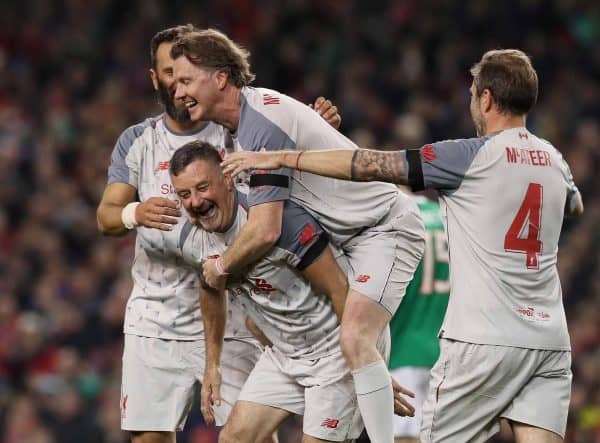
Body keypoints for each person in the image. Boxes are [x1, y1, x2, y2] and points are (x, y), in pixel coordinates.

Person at [221, 49, 584, 443]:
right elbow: (574, 206)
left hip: (483, 340)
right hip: (549, 339)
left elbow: (367, 164)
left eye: (473, 94)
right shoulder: (555, 160)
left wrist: (284, 156)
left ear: (487, 98)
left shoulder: (467, 156)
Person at [171, 29, 424, 443]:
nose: (177, 90)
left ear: (220, 77)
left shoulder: (259, 124)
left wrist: (220, 267)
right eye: (173, 82)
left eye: (185, 80)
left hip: (381, 226)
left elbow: (268, 228)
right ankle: (368, 375)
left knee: (357, 337)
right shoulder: (237, 133)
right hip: (312, 310)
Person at [96, 24, 342, 443]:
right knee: (148, 437)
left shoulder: (236, 126)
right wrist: (136, 212)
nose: (178, 83)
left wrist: (309, 128)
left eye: (186, 72)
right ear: (155, 79)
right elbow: (106, 217)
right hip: (158, 317)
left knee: (250, 435)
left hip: (234, 310)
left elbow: (281, 140)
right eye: (169, 73)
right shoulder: (137, 141)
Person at [168, 140, 393, 443]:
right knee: (234, 439)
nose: (195, 201)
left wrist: (368, 365)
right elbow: (210, 287)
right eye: (185, 194)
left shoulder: (280, 221)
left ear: (228, 180)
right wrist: (213, 364)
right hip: (286, 354)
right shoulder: (192, 239)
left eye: (202, 187)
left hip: (336, 351)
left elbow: (340, 290)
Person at [388, 197, 449, 443]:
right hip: (442, 347)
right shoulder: (443, 216)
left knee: (403, 437)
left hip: (402, 348)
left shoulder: (396, 216)